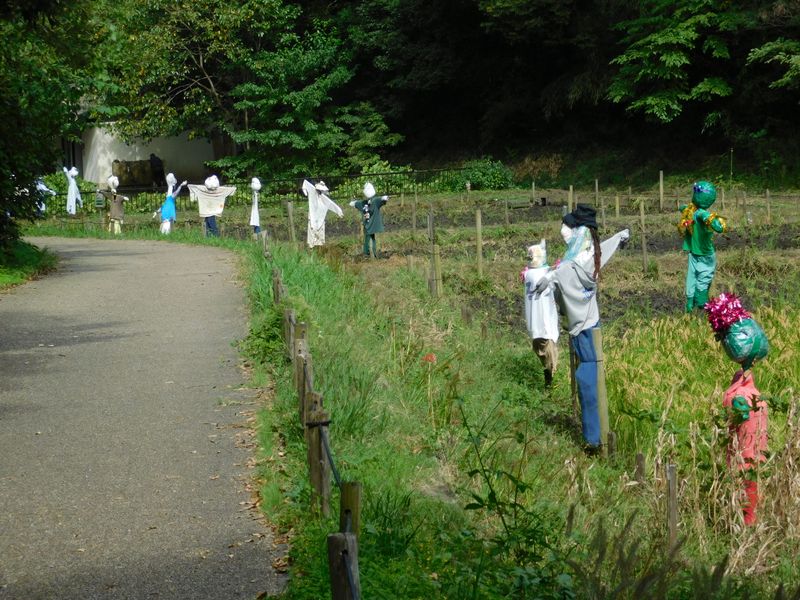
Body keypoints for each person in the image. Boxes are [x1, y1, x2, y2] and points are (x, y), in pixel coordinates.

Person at [534, 204, 629, 451]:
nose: (565, 231)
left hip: (580, 328)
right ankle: (595, 434)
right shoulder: (592, 255)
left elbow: (557, 276)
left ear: (577, 231)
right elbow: (606, 247)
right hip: (592, 322)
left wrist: (546, 279)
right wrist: (619, 237)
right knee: (591, 374)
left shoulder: (568, 268)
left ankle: (593, 438)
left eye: (569, 227)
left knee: (586, 379)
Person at [705, 293, 769, 525]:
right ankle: (744, 524)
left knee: (748, 493)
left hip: (747, 458)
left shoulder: (741, 394)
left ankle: (747, 527)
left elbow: (739, 415)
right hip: (746, 456)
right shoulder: (744, 389)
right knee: (746, 491)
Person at [678, 181, 726, 312]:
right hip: (702, 254)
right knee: (700, 279)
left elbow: (682, 208)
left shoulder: (694, 212)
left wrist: (684, 208)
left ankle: (692, 304)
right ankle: (699, 304)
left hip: (697, 253)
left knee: (694, 279)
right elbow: (718, 227)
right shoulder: (698, 213)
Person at [521, 239, 559, 387]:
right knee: (549, 354)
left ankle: (549, 380)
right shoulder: (542, 274)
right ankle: (551, 381)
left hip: (534, 325)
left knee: (542, 352)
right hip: (544, 325)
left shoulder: (528, 274)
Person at [349, 182, 389, 257]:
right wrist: (354, 203)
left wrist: (384, 198)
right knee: (369, 237)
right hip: (368, 223)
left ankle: (369, 252)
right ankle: (369, 252)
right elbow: (358, 203)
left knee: (370, 237)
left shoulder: (374, 201)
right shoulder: (365, 203)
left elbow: (381, 199)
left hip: (371, 223)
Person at [301, 179, 343, 248]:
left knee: (319, 232)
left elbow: (331, 204)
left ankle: (319, 246)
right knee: (312, 230)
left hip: (320, 218)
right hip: (312, 216)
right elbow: (305, 184)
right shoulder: (312, 193)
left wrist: (339, 211)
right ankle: (312, 246)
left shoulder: (324, 198)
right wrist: (305, 192)